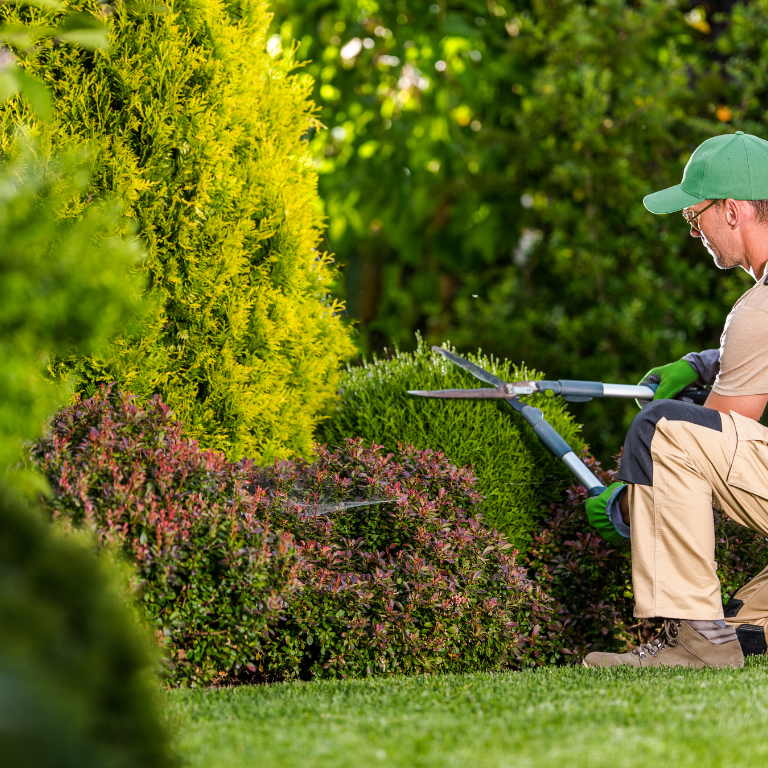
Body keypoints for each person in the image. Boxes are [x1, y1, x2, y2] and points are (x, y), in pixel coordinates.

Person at [583, 130, 768, 668]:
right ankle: (724, 635)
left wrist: (631, 501)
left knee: (663, 428)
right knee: (743, 622)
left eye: (696, 214)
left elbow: (717, 437)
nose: (694, 230)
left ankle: (698, 644)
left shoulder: (758, 308)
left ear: (732, 211)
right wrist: (703, 363)